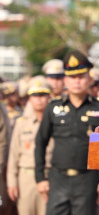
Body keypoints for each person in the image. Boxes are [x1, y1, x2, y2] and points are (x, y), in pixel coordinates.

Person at [34, 50, 99, 215]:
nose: (76, 81)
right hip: (58, 180)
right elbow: (40, 143)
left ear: (90, 79)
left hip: (87, 180)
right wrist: (40, 178)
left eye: (81, 76)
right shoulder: (53, 108)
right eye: (72, 77)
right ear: (65, 80)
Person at [7, 76, 54, 215]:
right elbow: (14, 154)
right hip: (26, 178)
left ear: (49, 96)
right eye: (34, 95)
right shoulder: (21, 123)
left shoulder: (57, 122)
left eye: (43, 95)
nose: (39, 99)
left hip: (50, 176)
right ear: (29, 98)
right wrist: (12, 182)